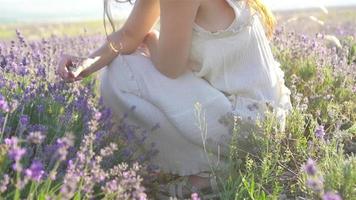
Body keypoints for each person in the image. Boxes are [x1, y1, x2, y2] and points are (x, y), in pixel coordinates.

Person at [57, 0, 293, 198]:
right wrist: (85, 64)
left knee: (121, 70)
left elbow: (170, 67)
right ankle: (214, 164)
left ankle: (213, 170)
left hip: (244, 128)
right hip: (269, 121)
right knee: (124, 61)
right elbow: (129, 34)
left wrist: (150, 39)